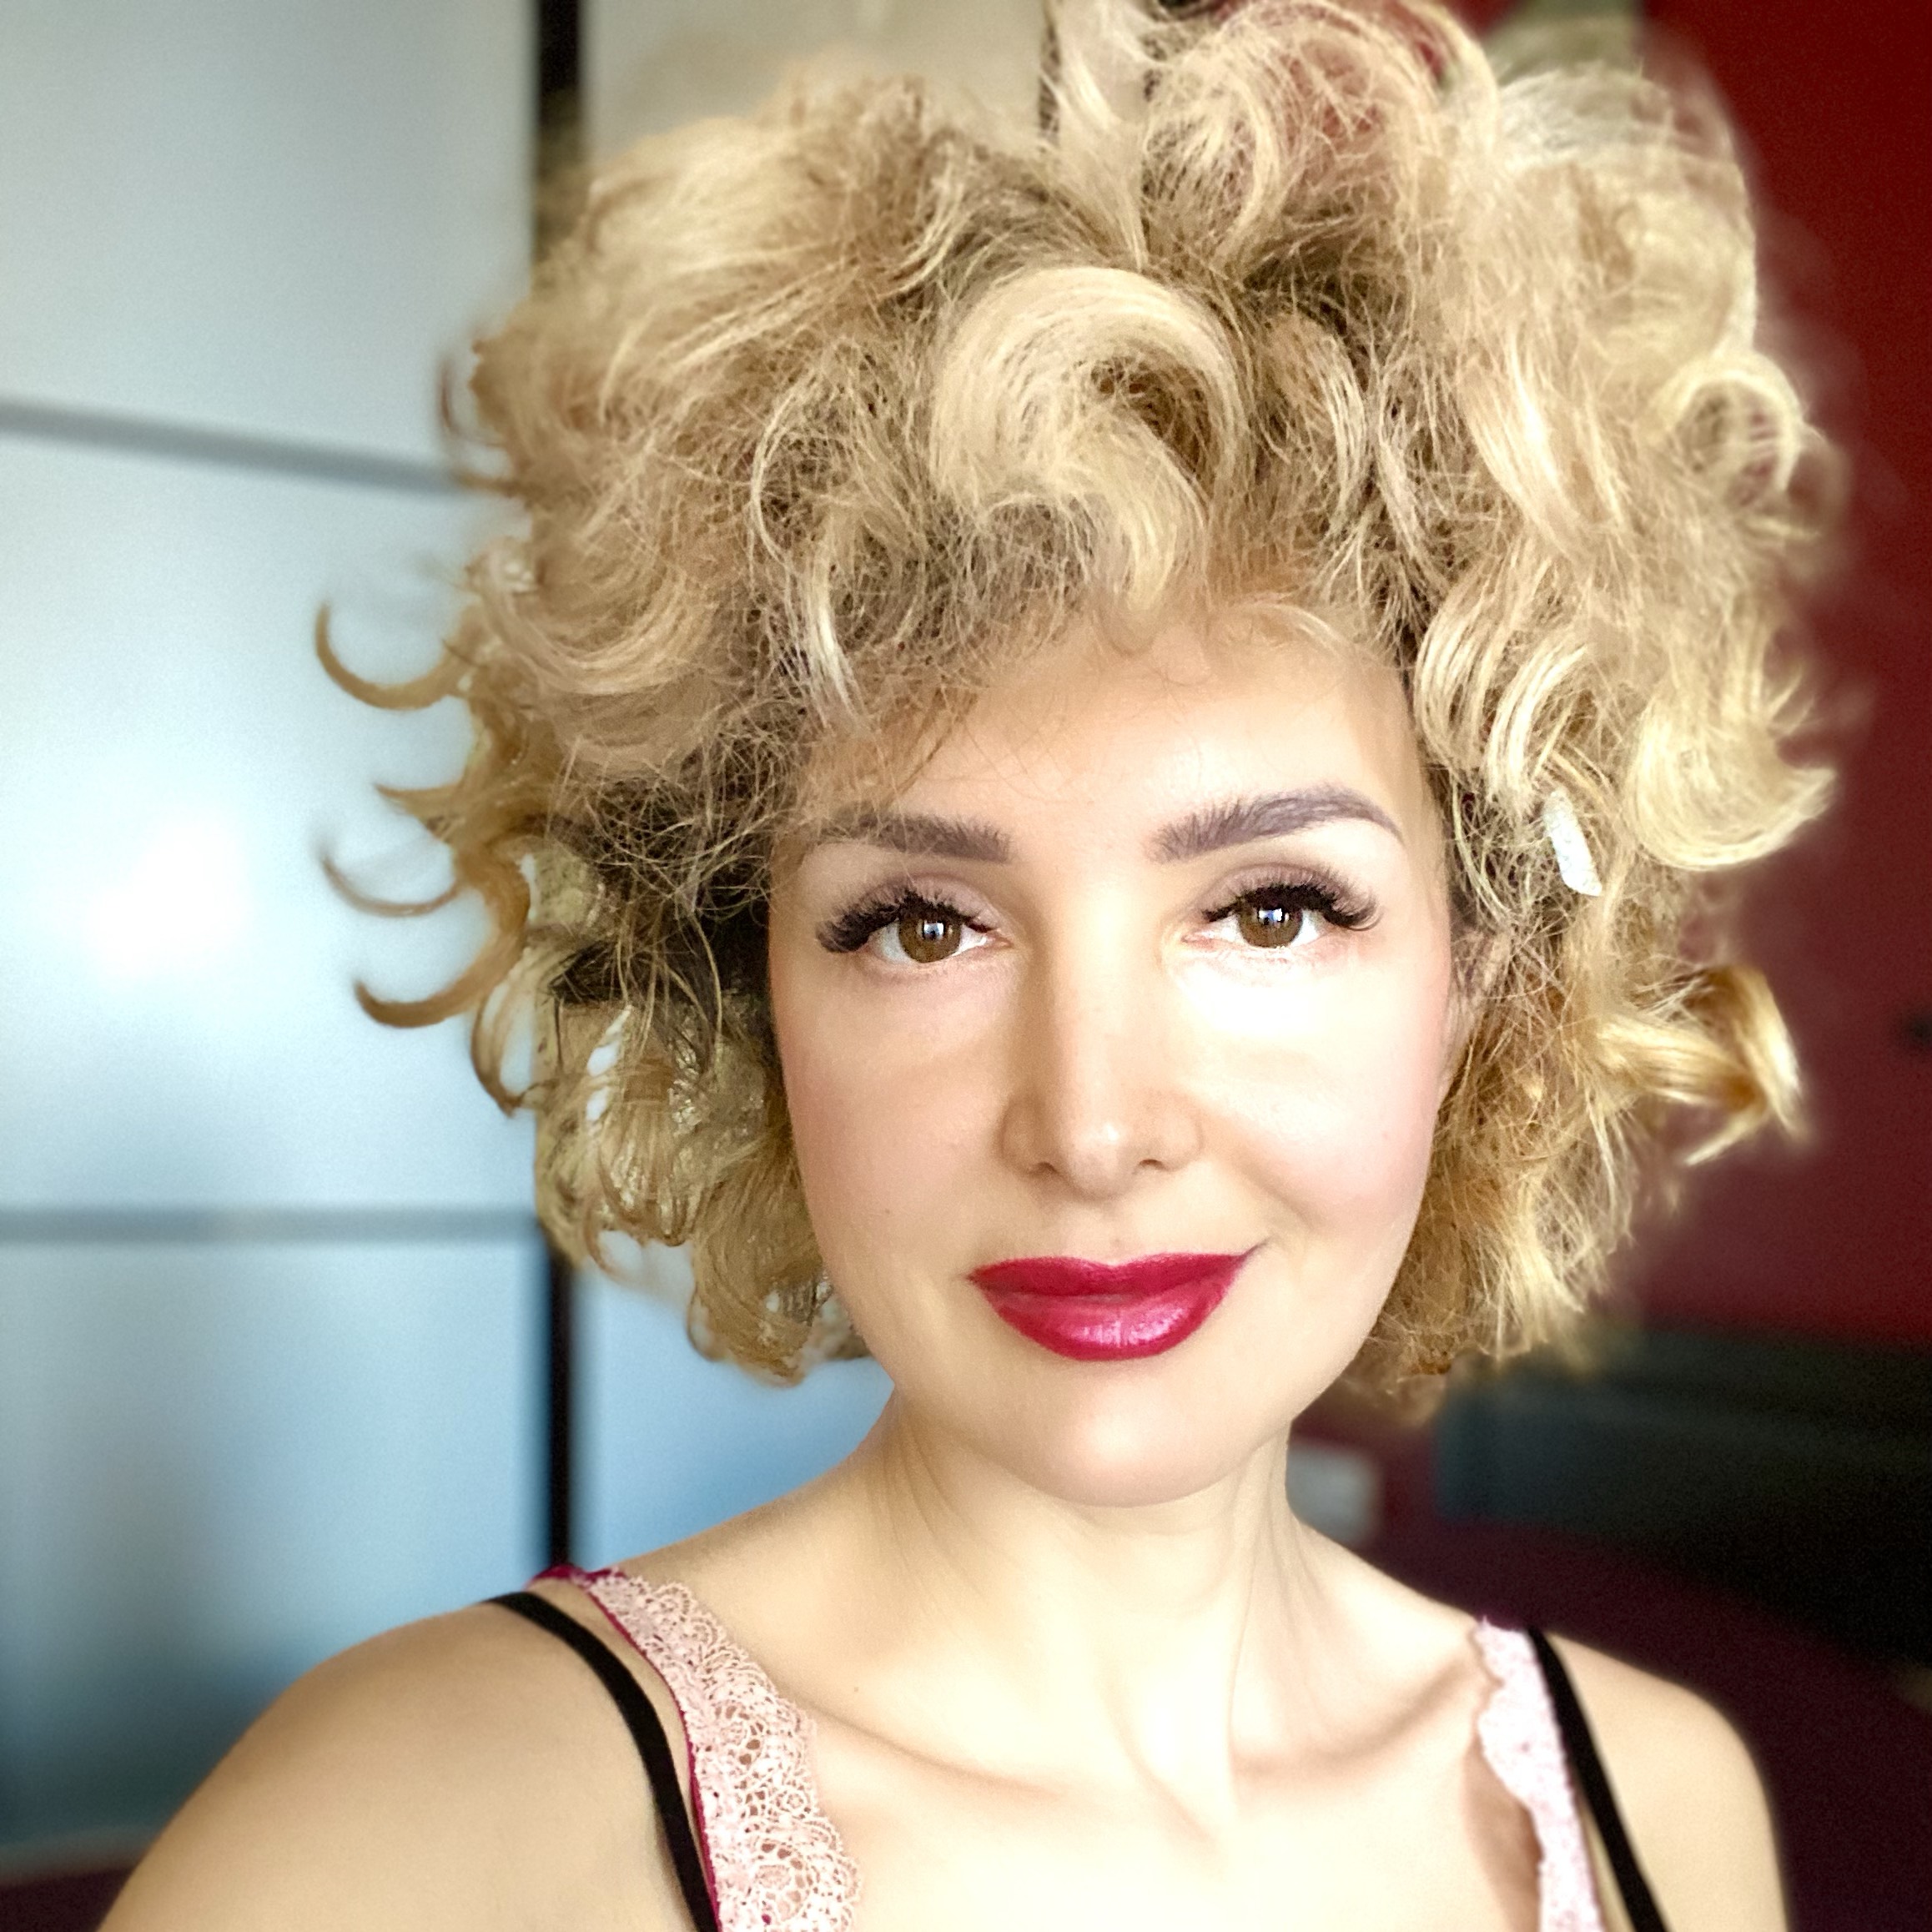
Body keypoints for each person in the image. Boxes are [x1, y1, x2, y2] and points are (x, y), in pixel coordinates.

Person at [105, 2, 1834, 1927]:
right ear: (753, 994)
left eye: (1270, 909)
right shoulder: (414, 1832)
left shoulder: (1657, 1806)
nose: (1092, 1124)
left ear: (1479, 980)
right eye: (923, 924)